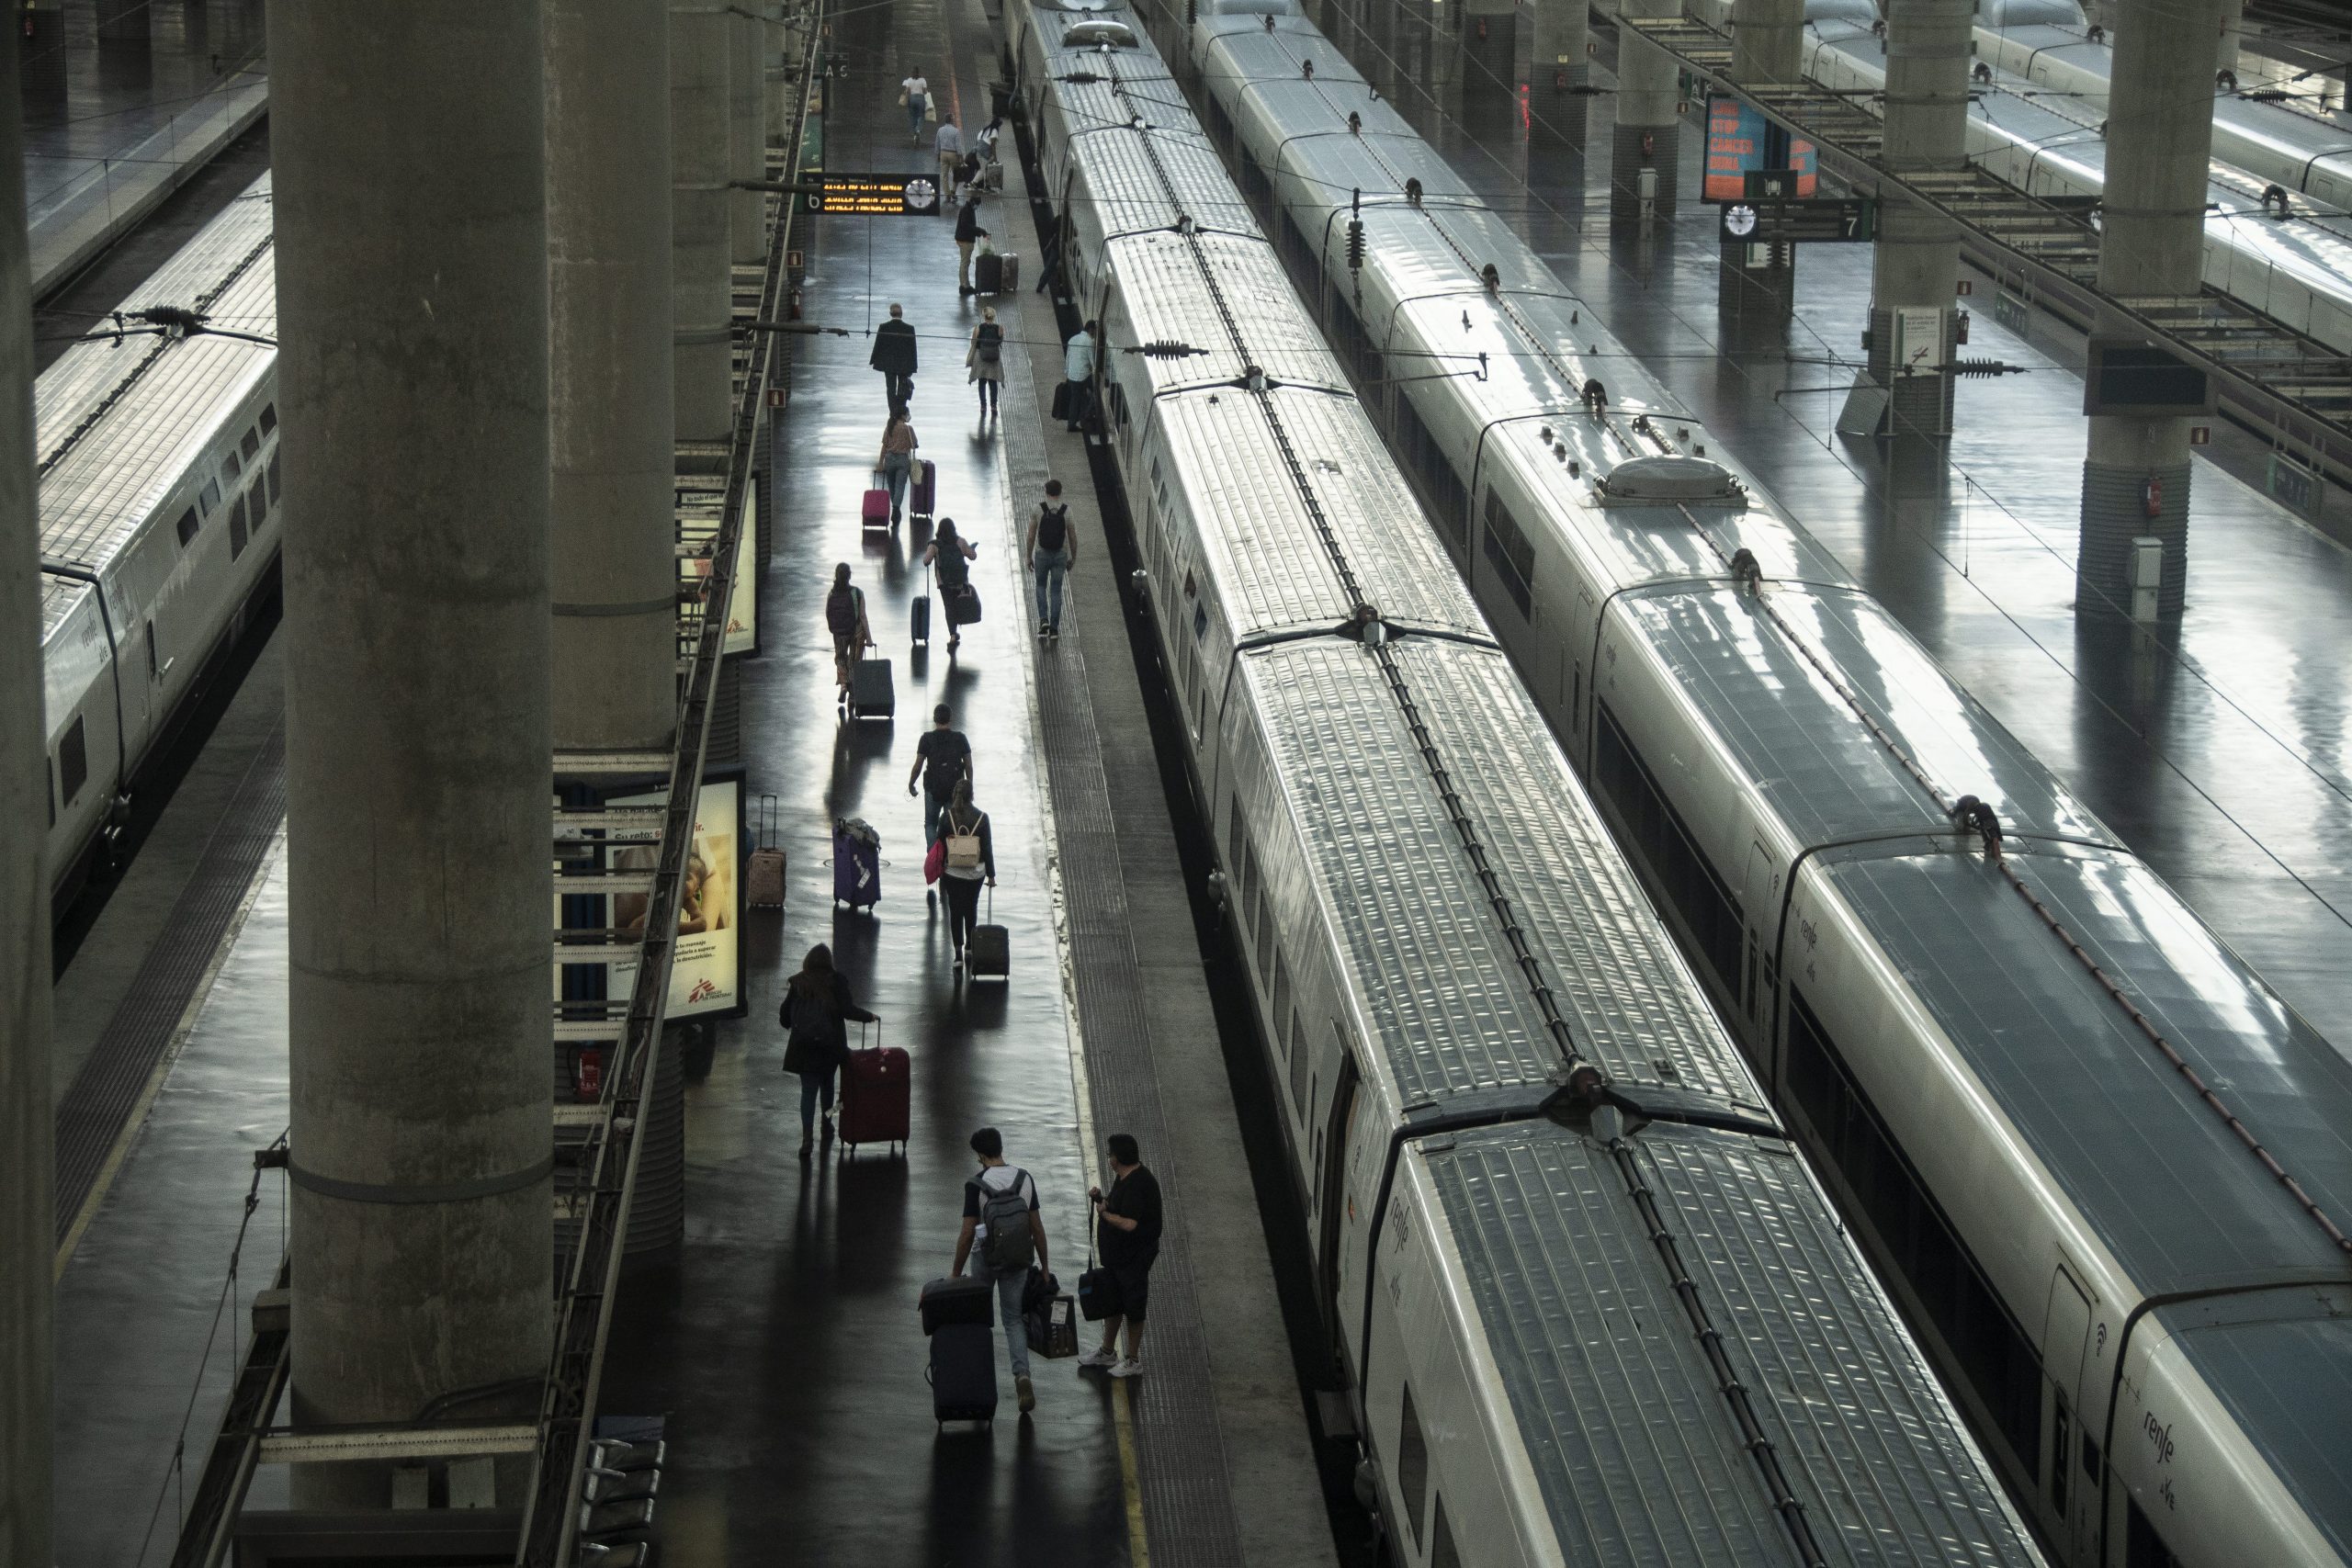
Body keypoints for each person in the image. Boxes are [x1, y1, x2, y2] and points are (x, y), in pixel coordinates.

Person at [953, 1126, 1049, 1414]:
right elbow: (1037, 1227)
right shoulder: (1024, 1178)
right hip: (1019, 1259)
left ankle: (977, 1381)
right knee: (1012, 1320)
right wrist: (1045, 1266)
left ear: (981, 1155)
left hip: (985, 1259)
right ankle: (1022, 1376)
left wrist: (955, 1273)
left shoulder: (976, 1184)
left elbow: (968, 1233)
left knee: (979, 1320)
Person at [779, 943, 877, 1158]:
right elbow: (847, 1009)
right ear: (828, 962)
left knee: (807, 1093)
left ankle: (807, 1138)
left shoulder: (798, 982)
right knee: (828, 1089)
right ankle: (827, 1124)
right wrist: (868, 1016)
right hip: (830, 1047)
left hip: (803, 1047)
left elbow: (785, 1014)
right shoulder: (836, 981)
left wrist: (795, 1026)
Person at [1082, 1133, 1161, 1379]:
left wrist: (1105, 1216)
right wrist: (1102, 1201)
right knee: (1113, 1301)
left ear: (1119, 1157)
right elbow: (1119, 1208)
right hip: (1117, 1258)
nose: (1108, 1157)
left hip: (1133, 1259)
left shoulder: (1140, 1184)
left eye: (1110, 1154)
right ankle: (1108, 1351)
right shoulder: (1123, 1178)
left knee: (1134, 1306)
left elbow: (1129, 1224)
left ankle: (1133, 1359)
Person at [935, 780, 995, 969]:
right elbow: (986, 848)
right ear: (972, 795)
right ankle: (970, 944)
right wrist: (991, 875)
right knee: (971, 907)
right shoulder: (982, 818)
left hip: (952, 871)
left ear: (955, 795)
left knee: (955, 910)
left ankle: (958, 954)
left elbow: (939, 845)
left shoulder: (947, 817)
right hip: (975, 873)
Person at [907, 702, 973, 852]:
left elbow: (918, 766)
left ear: (935, 719)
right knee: (952, 823)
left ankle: (933, 855)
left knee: (931, 823)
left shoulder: (926, 738)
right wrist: (969, 786)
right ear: (950, 719)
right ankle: (951, 855)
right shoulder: (960, 738)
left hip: (933, 788)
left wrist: (911, 784)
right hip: (955, 790)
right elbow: (969, 765)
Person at [1024, 479, 1075, 640]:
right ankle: (1054, 629)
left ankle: (1043, 620)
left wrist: (1028, 556)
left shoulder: (1038, 509)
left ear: (1046, 492)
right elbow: (1072, 537)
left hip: (1042, 554)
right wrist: (1073, 557)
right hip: (1060, 554)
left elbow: (1031, 535)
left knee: (1040, 586)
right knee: (1056, 590)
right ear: (1060, 492)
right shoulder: (1067, 511)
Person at [923, 516, 979, 651]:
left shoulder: (934, 545)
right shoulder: (960, 541)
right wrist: (971, 548)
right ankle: (959, 622)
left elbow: (926, 561)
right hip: (960, 580)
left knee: (949, 607)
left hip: (944, 583)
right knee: (958, 603)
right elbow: (973, 556)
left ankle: (953, 635)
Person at [824, 562, 872, 707]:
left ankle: (844, 684)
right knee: (854, 661)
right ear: (849, 576)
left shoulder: (832, 593)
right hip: (856, 631)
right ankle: (852, 694)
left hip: (839, 632)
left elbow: (827, 613)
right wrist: (869, 638)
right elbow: (862, 616)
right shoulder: (857, 593)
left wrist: (834, 629)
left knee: (840, 658)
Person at [871, 302, 918, 413]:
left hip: (889, 364)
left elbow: (878, 345)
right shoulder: (909, 329)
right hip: (904, 365)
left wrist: (873, 360)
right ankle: (901, 409)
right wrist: (913, 367)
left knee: (890, 388)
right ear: (901, 314)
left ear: (890, 314)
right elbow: (913, 350)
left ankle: (892, 412)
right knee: (902, 387)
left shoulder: (884, 327)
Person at [876, 408, 919, 524]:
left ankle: (896, 509)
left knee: (892, 487)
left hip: (889, 460)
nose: (909, 416)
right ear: (903, 415)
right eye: (908, 414)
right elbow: (915, 444)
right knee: (900, 487)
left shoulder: (889, 427)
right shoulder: (908, 429)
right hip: (902, 460)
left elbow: (884, 446)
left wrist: (880, 463)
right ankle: (896, 510)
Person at [967, 306, 1005, 418]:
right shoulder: (999, 328)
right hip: (994, 358)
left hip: (981, 357)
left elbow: (973, 342)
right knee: (993, 382)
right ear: (993, 316)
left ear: (984, 316)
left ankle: (983, 405)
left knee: (982, 382)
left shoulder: (978, 327)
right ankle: (993, 405)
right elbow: (1001, 340)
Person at [1061, 321, 1098, 433]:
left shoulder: (1072, 339)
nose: (1095, 333)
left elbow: (1068, 358)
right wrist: (1095, 375)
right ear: (1091, 330)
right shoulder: (1089, 341)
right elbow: (1093, 362)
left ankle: (1072, 423)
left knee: (1075, 399)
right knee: (1093, 395)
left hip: (1072, 375)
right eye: (1095, 331)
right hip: (1083, 376)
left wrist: (1067, 374)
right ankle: (1085, 418)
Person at [955, 195, 984, 295]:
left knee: (965, 263)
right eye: (977, 205)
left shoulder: (968, 209)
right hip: (965, 240)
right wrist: (979, 230)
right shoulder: (967, 211)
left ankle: (964, 285)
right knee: (965, 263)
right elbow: (966, 226)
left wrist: (978, 232)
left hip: (964, 239)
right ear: (973, 203)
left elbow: (968, 226)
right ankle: (965, 286)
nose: (977, 207)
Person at [934, 114, 964, 200]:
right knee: (956, 173)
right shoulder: (956, 131)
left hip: (943, 153)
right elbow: (958, 145)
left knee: (944, 175)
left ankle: (947, 194)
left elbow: (937, 143)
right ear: (951, 120)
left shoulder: (940, 130)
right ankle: (953, 191)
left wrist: (937, 154)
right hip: (953, 154)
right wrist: (961, 157)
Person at [900, 66, 930, 143]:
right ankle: (918, 129)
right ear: (919, 72)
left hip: (912, 99)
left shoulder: (909, 80)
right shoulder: (923, 80)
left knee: (913, 116)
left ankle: (915, 133)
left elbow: (907, 91)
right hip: (920, 99)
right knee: (921, 115)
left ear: (912, 72)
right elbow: (925, 91)